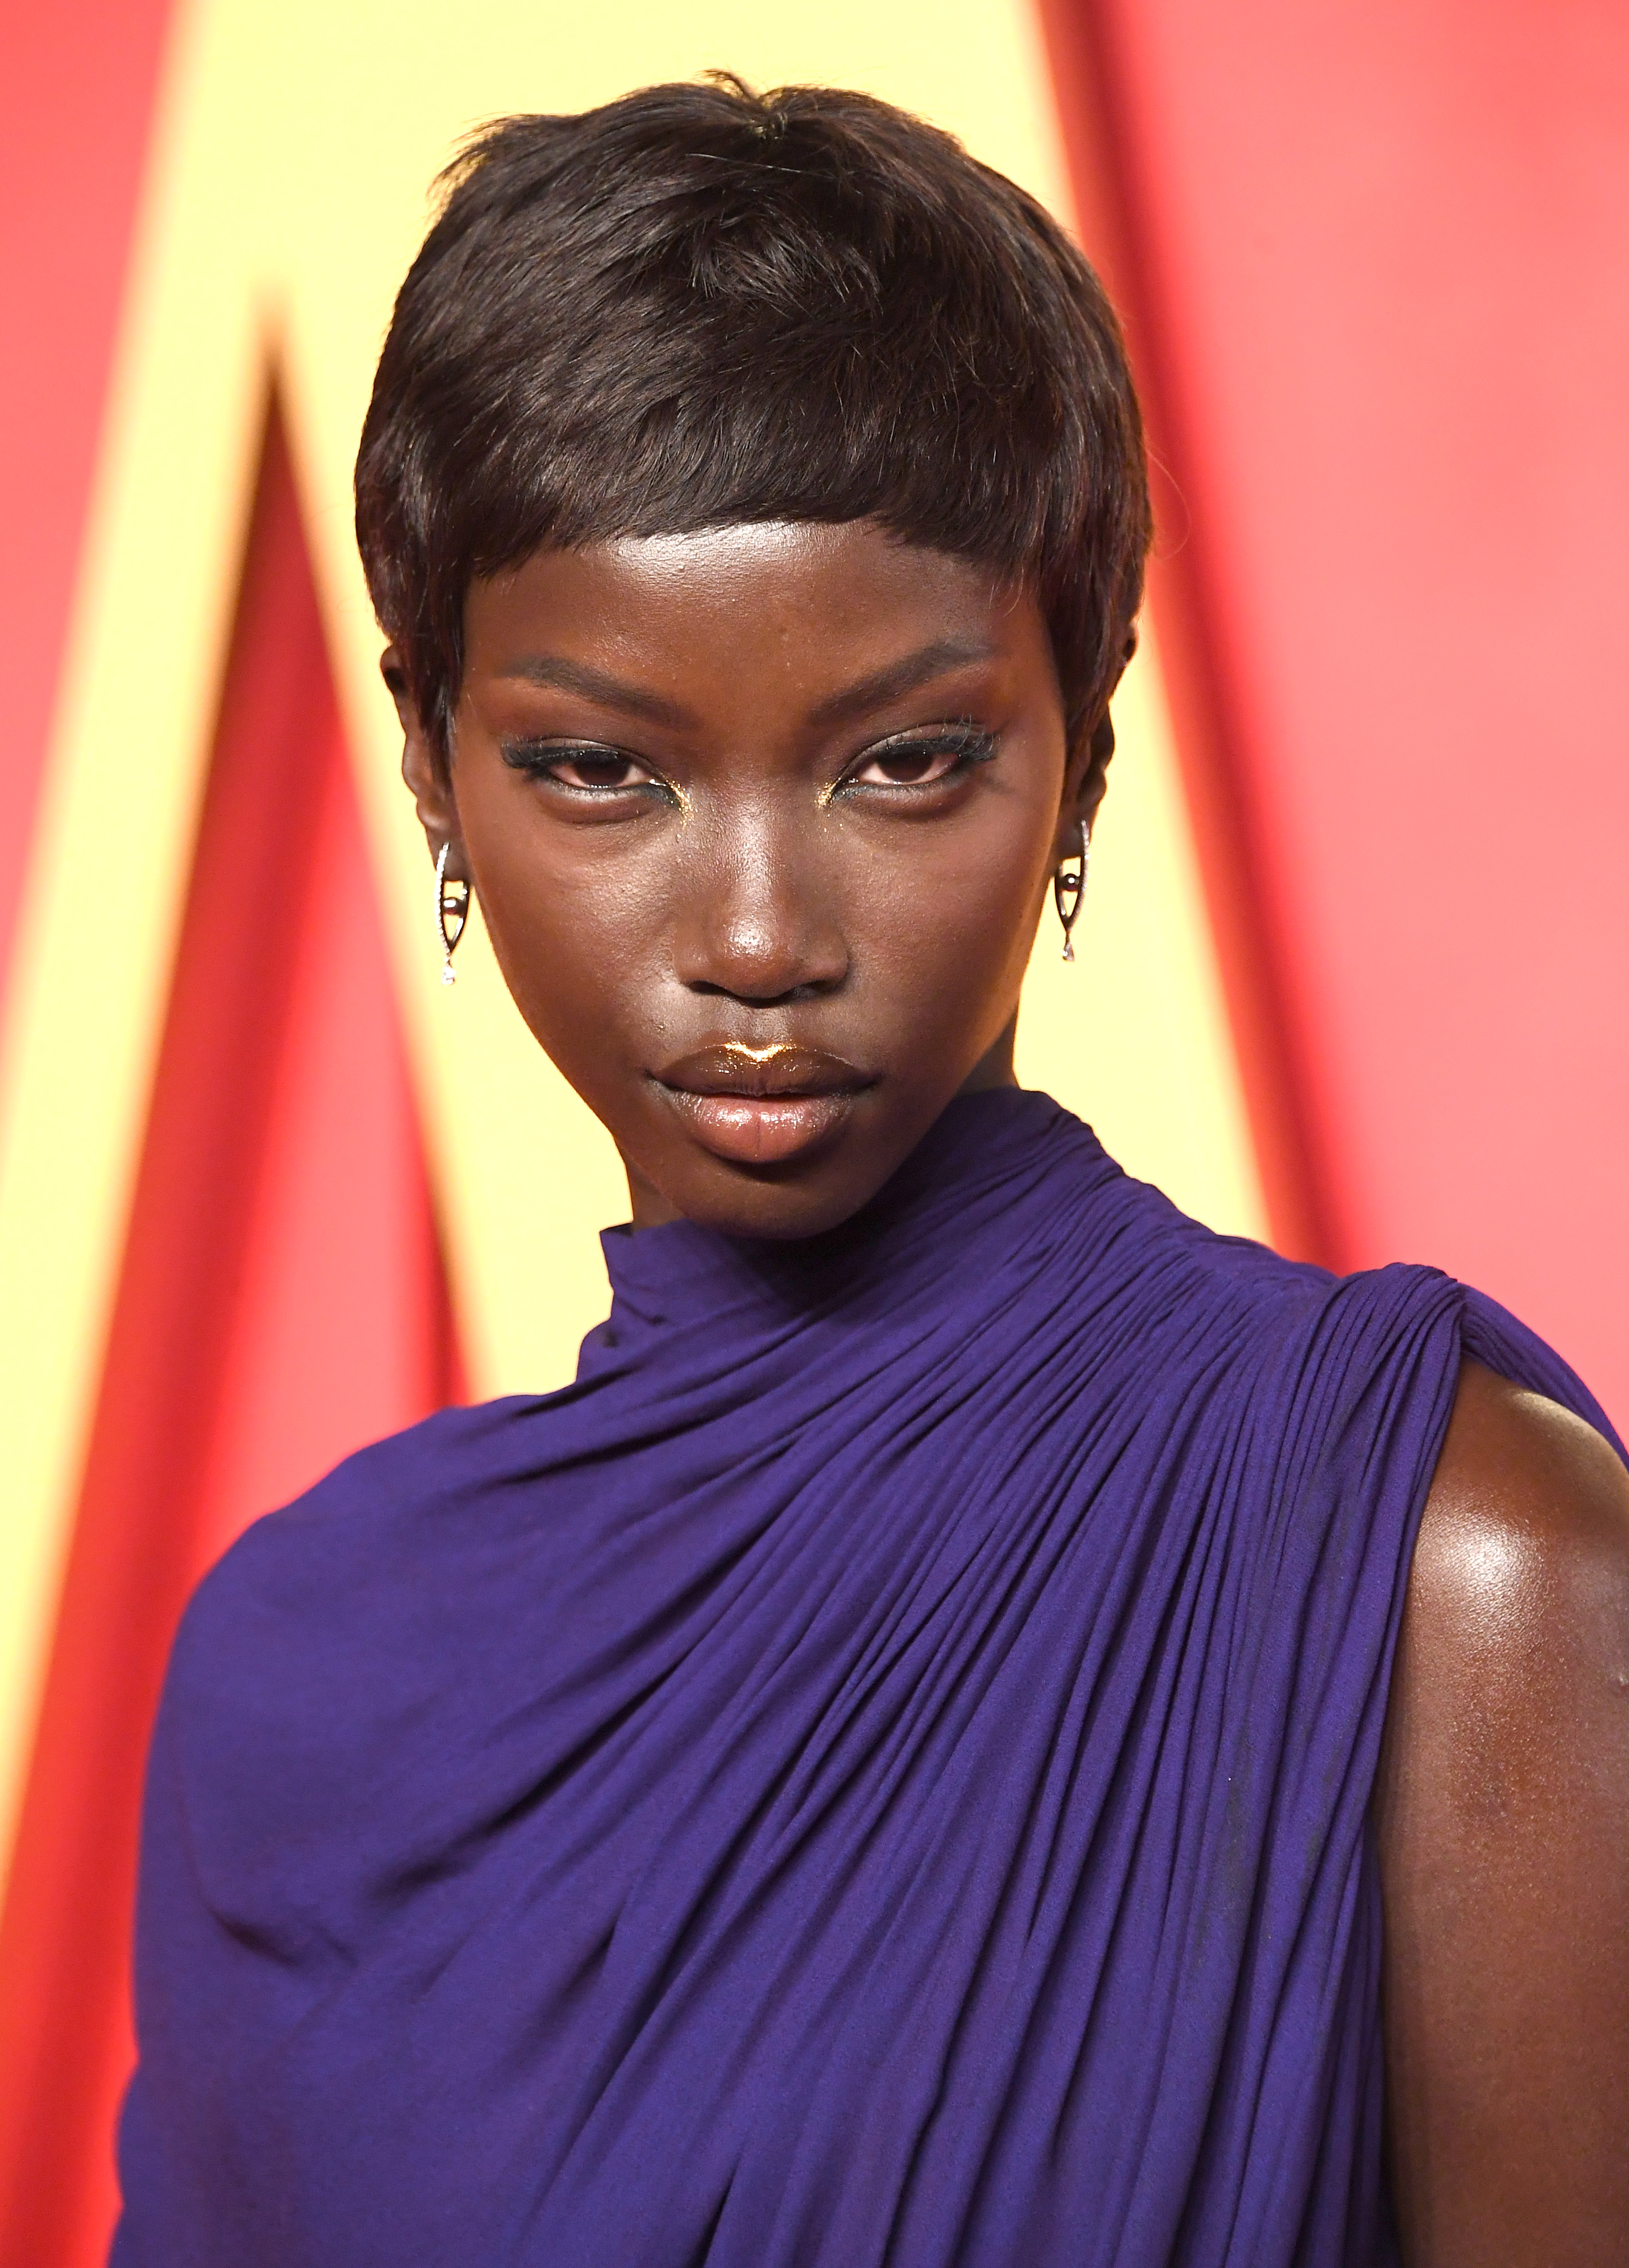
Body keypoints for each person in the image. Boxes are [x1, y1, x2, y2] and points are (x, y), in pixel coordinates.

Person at [112, 77, 1629, 2268]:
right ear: (431, 759)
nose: (756, 937)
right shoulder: (294, 1673)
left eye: (905, 761)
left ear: (1083, 738)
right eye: (598, 771)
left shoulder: (1454, 1574)